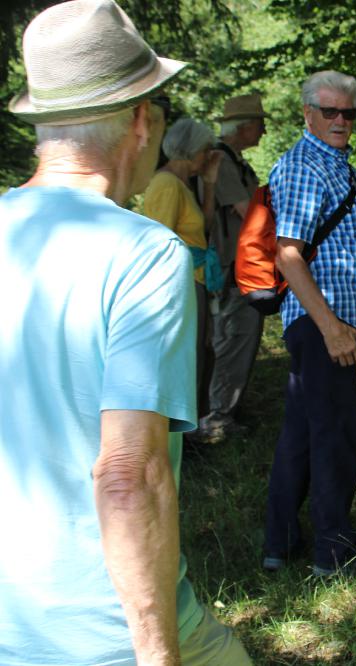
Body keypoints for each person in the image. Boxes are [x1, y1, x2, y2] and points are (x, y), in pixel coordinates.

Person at [0, 1, 251, 663]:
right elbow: (128, 473)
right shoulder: (143, 253)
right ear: (142, 121)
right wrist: (156, 653)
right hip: (103, 630)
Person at [263, 70, 356, 577]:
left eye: (348, 112)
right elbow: (288, 255)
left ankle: (279, 542)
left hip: (332, 321)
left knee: (301, 433)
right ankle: (334, 553)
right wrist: (332, 328)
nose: (341, 120)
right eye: (330, 111)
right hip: (324, 324)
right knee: (334, 435)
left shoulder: (336, 163)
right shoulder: (303, 165)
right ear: (308, 114)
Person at [193, 93, 268, 443]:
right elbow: (248, 212)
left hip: (241, 265)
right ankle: (216, 417)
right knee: (235, 336)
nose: (264, 132)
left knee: (239, 335)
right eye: (260, 124)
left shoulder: (233, 161)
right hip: (233, 268)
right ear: (245, 127)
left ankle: (223, 411)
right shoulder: (222, 162)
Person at [144, 117, 223, 415]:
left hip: (195, 278)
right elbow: (160, 241)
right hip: (180, 282)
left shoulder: (182, 184)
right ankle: (179, 428)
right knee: (187, 355)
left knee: (199, 352)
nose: (207, 156)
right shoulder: (166, 184)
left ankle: (190, 424)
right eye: (204, 150)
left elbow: (204, 227)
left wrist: (210, 183)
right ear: (190, 150)